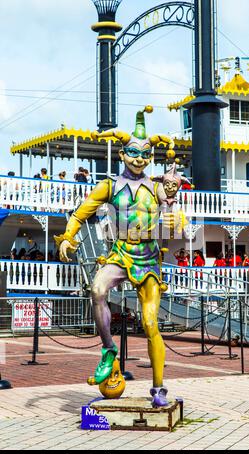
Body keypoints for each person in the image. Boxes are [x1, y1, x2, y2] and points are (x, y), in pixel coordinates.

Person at [54, 107, 185, 408]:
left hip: (149, 259)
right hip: (121, 252)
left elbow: (175, 216)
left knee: (151, 323)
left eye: (145, 154)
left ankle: (159, 389)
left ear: (150, 157)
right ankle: (109, 349)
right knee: (97, 290)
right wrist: (68, 236)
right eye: (133, 153)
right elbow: (82, 212)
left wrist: (173, 210)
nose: (139, 159)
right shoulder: (110, 186)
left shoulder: (155, 187)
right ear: (123, 153)